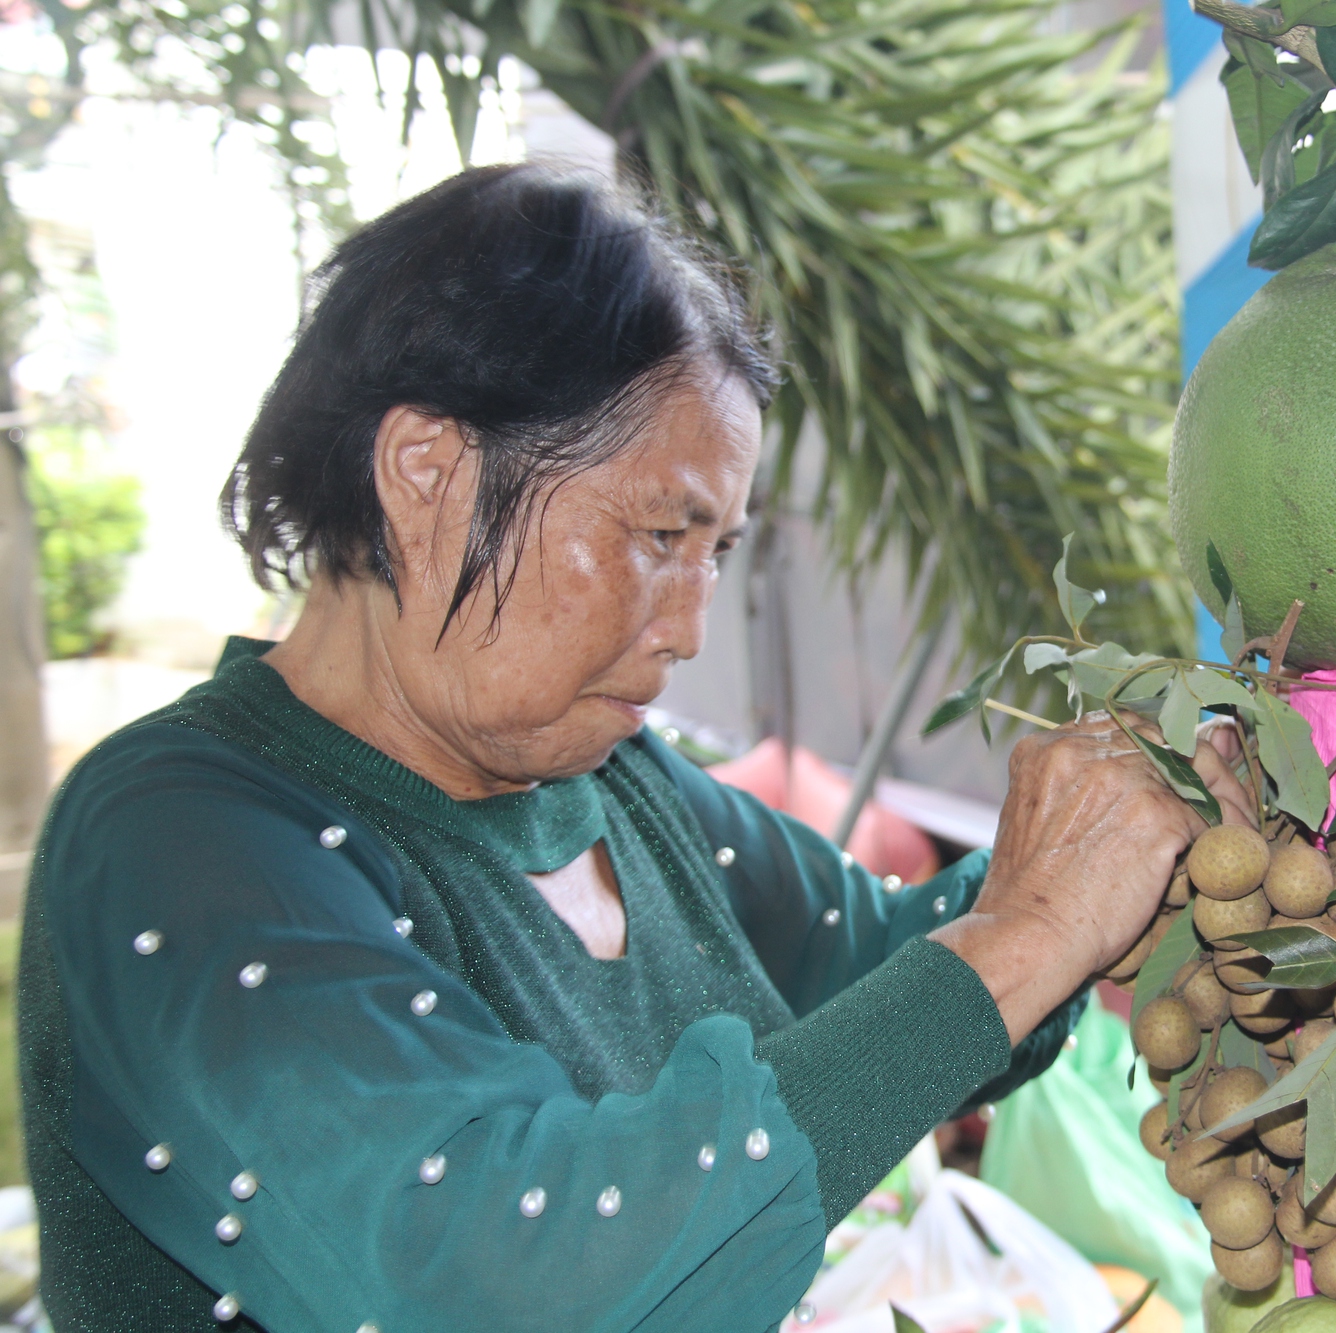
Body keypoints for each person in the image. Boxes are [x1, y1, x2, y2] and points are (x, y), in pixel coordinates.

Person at [18, 165, 1254, 1332]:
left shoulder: (614, 786)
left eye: (715, 552)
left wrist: (1096, 889)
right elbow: (506, 1274)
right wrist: (1028, 931)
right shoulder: (177, 840)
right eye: (661, 534)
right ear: (425, 471)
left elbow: (884, 972)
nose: (690, 624)